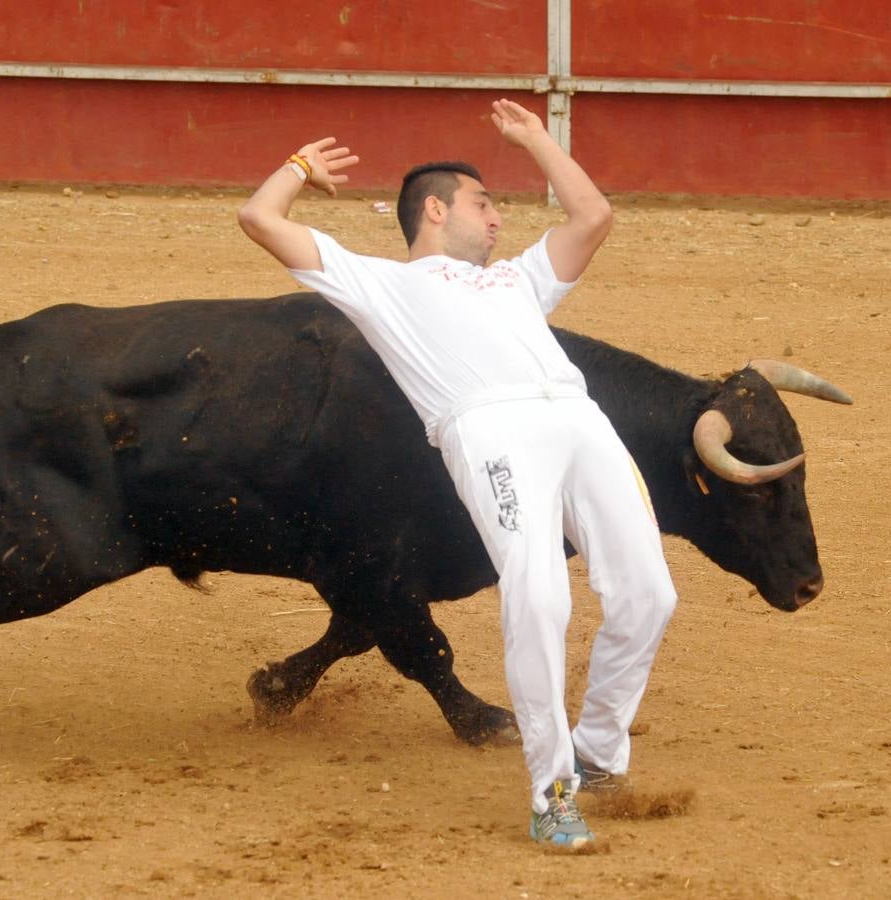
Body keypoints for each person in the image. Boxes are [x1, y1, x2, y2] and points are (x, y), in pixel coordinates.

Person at [237, 99, 678, 849]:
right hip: (492, 431)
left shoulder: (517, 281)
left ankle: (599, 750)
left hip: (578, 419)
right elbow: (259, 218)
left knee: (650, 592)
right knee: (537, 601)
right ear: (435, 210)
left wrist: (540, 139)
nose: (499, 218)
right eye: (485, 203)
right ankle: (553, 794)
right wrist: (299, 169)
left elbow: (592, 216)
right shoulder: (379, 283)